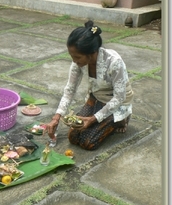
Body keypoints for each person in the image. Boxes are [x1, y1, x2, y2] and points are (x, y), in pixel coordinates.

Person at [46, 20, 134, 150]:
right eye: (72, 56)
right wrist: (56, 117)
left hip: (117, 102)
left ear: (93, 53)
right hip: (96, 98)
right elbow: (70, 90)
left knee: (89, 142)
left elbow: (119, 97)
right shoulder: (77, 63)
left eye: (78, 57)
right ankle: (104, 118)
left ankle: (122, 119)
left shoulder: (114, 62)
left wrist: (93, 119)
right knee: (74, 136)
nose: (74, 61)